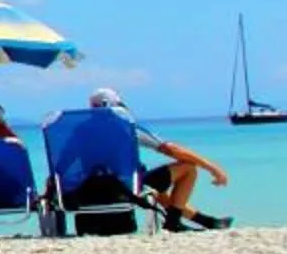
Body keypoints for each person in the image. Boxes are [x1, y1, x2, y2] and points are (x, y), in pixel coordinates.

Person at [89, 87, 232, 231]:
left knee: (156, 191)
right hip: (129, 188)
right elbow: (172, 149)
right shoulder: (126, 127)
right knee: (188, 168)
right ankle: (173, 223)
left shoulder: (79, 130)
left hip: (92, 190)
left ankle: (208, 222)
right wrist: (212, 167)